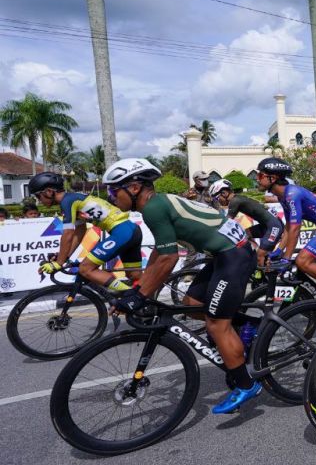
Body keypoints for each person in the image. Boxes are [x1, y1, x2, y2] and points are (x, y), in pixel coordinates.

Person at [102, 158, 258, 414]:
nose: (110, 197)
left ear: (133, 188)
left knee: (216, 324)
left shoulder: (154, 208)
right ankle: (246, 325)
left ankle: (246, 384)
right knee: (192, 305)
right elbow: (159, 254)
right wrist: (141, 289)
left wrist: (138, 296)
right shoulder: (155, 205)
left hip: (235, 255)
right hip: (223, 254)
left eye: (112, 190)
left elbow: (168, 259)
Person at [29, 171, 142, 291]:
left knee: (85, 269)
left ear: (49, 192)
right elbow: (80, 231)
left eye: (38, 196)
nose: (39, 201)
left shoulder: (67, 202)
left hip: (122, 232)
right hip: (131, 230)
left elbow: (68, 234)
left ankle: (129, 297)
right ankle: (147, 304)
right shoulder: (73, 199)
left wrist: (59, 263)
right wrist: (65, 257)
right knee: (134, 276)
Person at [256, 157, 316, 295]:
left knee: (302, 261)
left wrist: (286, 258)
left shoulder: (292, 194)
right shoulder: (283, 196)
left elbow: (295, 229)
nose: (257, 179)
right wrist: (279, 250)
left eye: (260, 175)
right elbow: (288, 227)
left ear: (272, 178)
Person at [208, 179, 283, 266]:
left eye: (217, 198)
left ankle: (264, 276)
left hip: (274, 226)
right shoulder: (238, 198)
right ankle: (255, 256)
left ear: (224, 193)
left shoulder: (235, 201)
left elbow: (227, 222)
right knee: (244, 235)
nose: (218, 201)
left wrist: (213, 232)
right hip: (267, 225)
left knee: (260, 256)